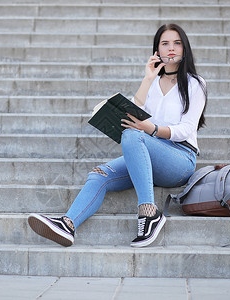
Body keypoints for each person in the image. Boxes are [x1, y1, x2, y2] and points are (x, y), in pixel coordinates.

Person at [28, 23, 207, 248]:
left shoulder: (195, 84)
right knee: (100, 174)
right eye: (165, 44)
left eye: (176, 43)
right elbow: (135, 109)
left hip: (180, 159)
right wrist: (148, 79)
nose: (171, 48)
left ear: (184, 48)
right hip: (148, 152)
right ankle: (67, 224)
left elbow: (187, 129)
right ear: (157, 50)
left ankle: (149, 213)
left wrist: (150, 129)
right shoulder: (152, 84)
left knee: (134, 135)